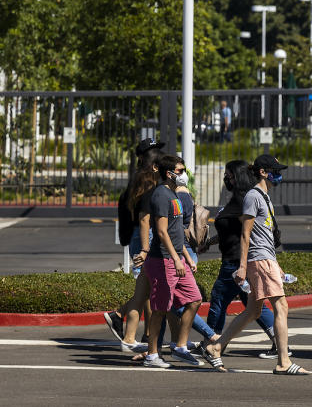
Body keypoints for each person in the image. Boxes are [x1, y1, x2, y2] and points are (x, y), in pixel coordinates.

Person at [201, 154, 308, 375]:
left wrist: (275, 262)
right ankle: (283, 362)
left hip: (266, 257)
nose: (278, 174)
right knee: (281, 307)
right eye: (275, 170)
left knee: (253, 310)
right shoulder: (253, 196)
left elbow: (266, 234)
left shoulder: (264, 197)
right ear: (262, 172)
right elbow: (245, 235)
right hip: (258, 258)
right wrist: (242, 266)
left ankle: (216, 346)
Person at [204, 159, 281, 359]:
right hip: (241, 259)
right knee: (254, 305)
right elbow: (229, 231)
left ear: (237, 177)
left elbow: (247, 233)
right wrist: (209, 242)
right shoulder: (242, 199)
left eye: (229, 176)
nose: (226, 180)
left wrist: (242, 266)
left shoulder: (247, 199)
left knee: (219, 298)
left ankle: (212, 341)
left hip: (238, 260)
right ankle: (279, 345)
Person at [141, 154, 203, 368]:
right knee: (160, 309)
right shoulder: (161, 195)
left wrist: (185, 257)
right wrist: (176, 259)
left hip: (177, 259)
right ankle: (151, 355)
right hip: (162, 261)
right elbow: (161, 231)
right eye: (179, 171)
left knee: (194, 299)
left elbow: (177, 232)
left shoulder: (174, 194)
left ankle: (180, 347)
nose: (183, 174)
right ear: (168, 174)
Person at [104, 138, 163, 354]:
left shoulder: (140, 179)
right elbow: (145, 217)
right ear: (152, 162)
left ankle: (144, 332)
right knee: (145, 287)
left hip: (139, 236)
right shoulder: (148, 182)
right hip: (144, 236)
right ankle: (122, 318)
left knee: (145, 287)